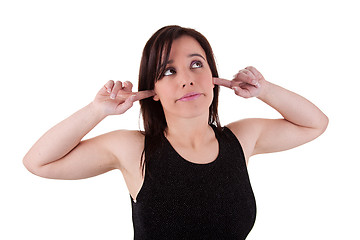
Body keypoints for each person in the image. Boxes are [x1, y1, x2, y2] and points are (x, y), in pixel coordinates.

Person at [23, 25, 328, 239]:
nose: (187, 79)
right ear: (152, 90)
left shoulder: (242, 139)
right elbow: (39, 162)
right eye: (169, 71)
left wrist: (265, 89)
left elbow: (315, 123)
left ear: (213, 78)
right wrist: (97, 110)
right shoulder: (133, 149)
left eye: (197, 64)